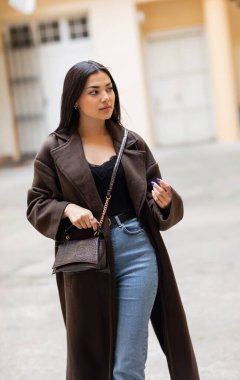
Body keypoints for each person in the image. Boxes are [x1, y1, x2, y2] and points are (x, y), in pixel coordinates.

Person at [26, 60, 199, 380]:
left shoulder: (131, 142)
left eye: (109, 89)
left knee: (126, 365)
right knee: (93, 362)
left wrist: (164, 202)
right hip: (87, 259)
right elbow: (37, 203)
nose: (106, 98)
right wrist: (67, 209)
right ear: (75, 99)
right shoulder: (53, 148)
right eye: (94, 92)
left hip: (138, 252)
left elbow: (155, 200)